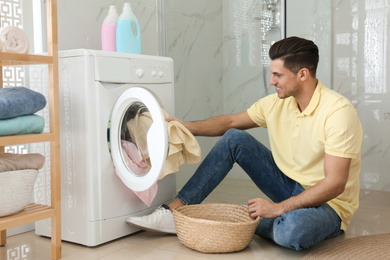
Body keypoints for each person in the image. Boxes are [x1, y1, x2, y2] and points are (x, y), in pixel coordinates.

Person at [126, 36, 363, 250]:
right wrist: (185, 126)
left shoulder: (337, 112)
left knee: (293, 232)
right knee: (234, 138)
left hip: (329, 205)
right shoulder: (275, 104)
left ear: (302, 74)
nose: (271, 81)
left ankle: (252, 220)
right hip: (288, 185)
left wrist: (279, 208)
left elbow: (335, 183)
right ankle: (175, 210)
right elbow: (230, 121)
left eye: (278, 75)